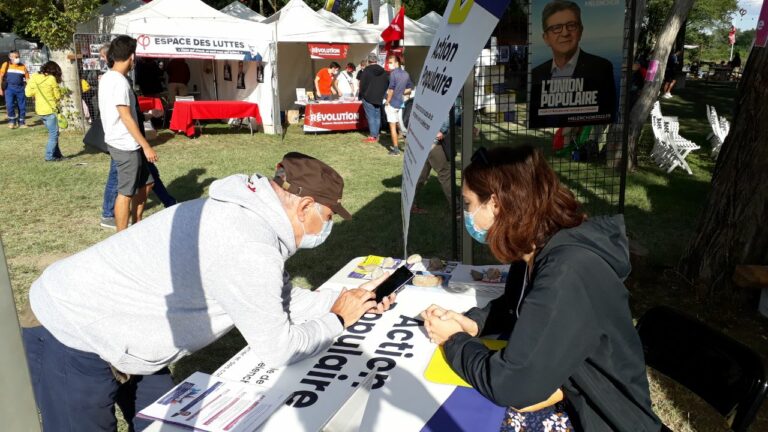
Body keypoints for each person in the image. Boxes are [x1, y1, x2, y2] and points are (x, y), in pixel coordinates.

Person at [20, 151, 395, 431]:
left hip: (126, 334)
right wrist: (337, 320)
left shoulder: (248, 217)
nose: (324, 229)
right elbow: (280, 347)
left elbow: (275, 300)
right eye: (326, 218)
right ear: (306, 206)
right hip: (75, 332)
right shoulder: (249, 246)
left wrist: (350, 300)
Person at [421, 146, 661, 432]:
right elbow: (515, 306)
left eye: (469, 203)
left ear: (496, 204)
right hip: (573, 394)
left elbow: (510, 386)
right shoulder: (537, 248)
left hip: (598, 419)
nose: (467, 213)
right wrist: (473, 322)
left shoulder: (565, 273)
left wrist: (455, 341)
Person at [98, 35, 157, 232]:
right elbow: (126, 117)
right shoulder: (118, 82)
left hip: (128, 142)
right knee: (126, 192)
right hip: (125, 143)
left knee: (147, 183)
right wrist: (146, 145)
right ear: (132, 56)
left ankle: (136, 226)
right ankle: (121, 237)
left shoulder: (109, 77)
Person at [529, 0, 616, 127]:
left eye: (571, 25)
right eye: (556, 28)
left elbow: (607, 110)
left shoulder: (601, 67)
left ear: (580, 31)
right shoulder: (536, 74)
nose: (565, 33)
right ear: (546, 38)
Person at [24, 61, 65, 161]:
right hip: (50, 110)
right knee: (54, 135)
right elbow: (57, 96)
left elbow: (28, 93)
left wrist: (37, 91)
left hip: (40, 110)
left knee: (53, 133)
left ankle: (57, 155)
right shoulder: (51, 79)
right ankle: (49, 157)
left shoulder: (34, 77)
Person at [412, 119, 453, 214]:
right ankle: (457, 209)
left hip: (424, 141)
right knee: (445, 174)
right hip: (434, 143)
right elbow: (454, 115)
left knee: (420, 176)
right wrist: (438, 131)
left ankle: (410, 203)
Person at [384, 55, 413, 156]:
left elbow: (391, 89)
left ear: (397, 63)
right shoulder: (406, 74)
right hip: (401, 103)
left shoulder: (393, 74)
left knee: (392, 126)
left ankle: (396, 149)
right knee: (402, 126)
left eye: (390, 62)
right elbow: (409, 89)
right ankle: (409, 149)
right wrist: (401, 93)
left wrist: (388, 101)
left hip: (393, 103)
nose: (389, 64)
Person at [358, 53, 389, 143]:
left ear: (368, 61)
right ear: (376, 60)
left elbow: (362, 85)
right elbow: (387, 83)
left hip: (368, 97)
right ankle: (376, 134)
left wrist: (362, 95)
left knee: (371, 116)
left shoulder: (366, 71)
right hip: (379, 96)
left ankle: (373, 136)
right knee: (377, 115)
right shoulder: (383, 71)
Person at [0, 50, 30, 128]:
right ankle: (12, 122)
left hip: (20, 88)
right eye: (15, 57)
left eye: (18, 56)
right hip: (9, 88)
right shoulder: (5, 65)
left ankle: (22, 122)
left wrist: (30, 88)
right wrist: (0, 89)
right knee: (9, 105)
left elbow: (27, 79)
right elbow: (1, 77)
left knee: (22, 106)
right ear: (10, 57)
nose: (17, 58)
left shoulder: (23, 66)